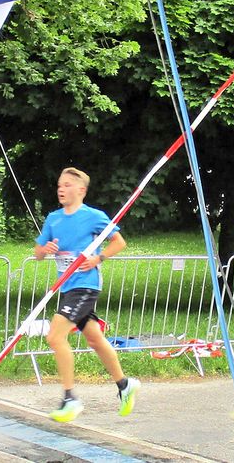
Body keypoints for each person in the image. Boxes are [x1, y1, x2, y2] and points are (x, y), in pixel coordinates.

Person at [33, 167, 140, 422]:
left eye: (68, 185)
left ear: (81, 190)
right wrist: (44, 249)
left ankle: (70, 398)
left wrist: (98, 258)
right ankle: (125, 385)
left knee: (55, 336)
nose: (62, 189)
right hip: (67, 287)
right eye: (60, 184)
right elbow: (37, 253)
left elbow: (119, 242)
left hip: (86, 284)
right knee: (94, 338)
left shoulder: (94, 216)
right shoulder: (53, 219)